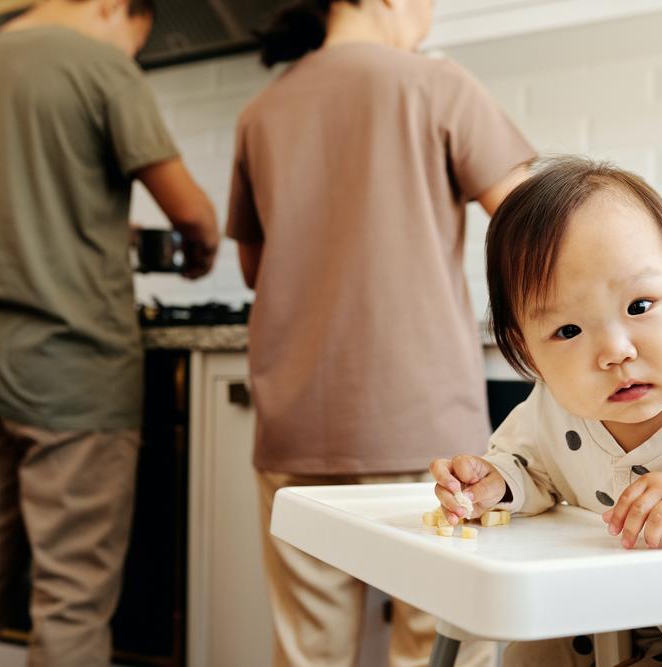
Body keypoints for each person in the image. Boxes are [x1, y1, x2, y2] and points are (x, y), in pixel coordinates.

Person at [225, 0, 535, 665]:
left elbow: (256, 267)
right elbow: (534, 222)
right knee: (439, 645)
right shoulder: (436, 83)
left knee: (309, 650)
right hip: (423, 425)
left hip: (297, 424)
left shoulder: (261, 112)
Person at [430, 157, 662, 666]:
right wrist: (491, 484)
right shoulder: (551, 407)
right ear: (528, 351)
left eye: (638, 307)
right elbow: (529, 472)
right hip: (583, 623)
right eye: (567, 331)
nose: (614, 351)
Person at [0, 0, 219, 664]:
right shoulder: (101, 68)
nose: (133, 53)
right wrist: (198, 250)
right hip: (72, 367)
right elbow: (191, 213)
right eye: (136, 40)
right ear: (114, 8)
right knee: (71, 591)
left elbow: (2, 208)